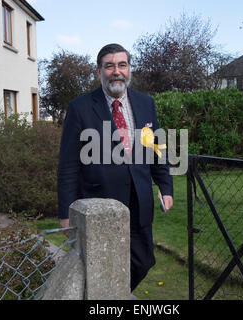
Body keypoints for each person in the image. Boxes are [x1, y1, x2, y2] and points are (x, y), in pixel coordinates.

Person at [57, 43, 173, 292]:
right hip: (100, 205)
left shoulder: (145, 103)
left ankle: (112, 295)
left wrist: (166, 187)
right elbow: (67, 165)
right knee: (101, 264)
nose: (116, 71)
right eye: (109, 66)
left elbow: (156, 149)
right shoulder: (80, 108)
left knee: (144, 261)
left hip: (139, 201)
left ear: (129, 69)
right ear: (99, 71)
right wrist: (66, 214)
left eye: (122, 65)